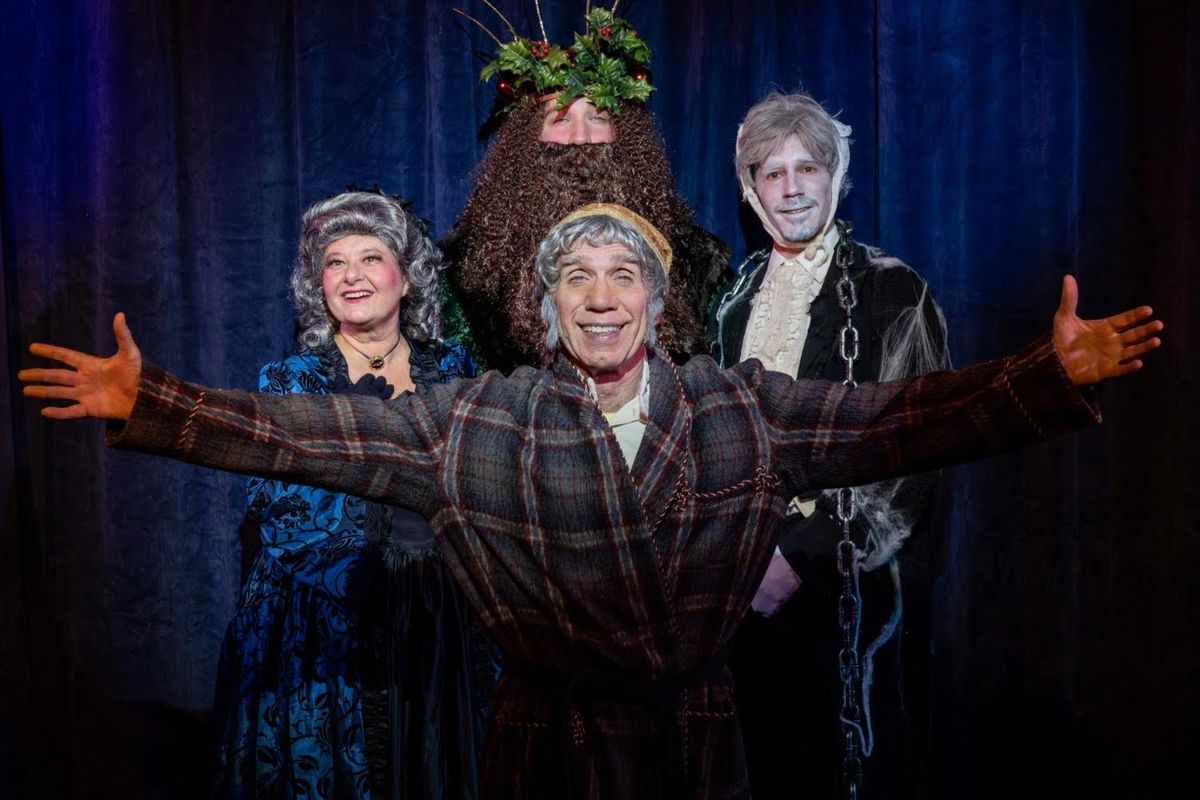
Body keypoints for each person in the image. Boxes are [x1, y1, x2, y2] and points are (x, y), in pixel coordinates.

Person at [20, 203, 1161, 800]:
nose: (600, 298)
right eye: (576, 278)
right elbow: (305, 430)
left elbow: (902, 419)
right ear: (550, 303)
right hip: (543, 749)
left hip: (693, 743)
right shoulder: (479, 417)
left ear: (660, 304)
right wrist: (156, 400)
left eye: (624, 278)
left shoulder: (741, 408)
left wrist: (1040, 378)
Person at [207, 191, 491, 798]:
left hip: (441, 618)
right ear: (319, 284)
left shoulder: (457, 370)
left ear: (406, 278)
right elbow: (276, 504)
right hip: (326, 617)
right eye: (336, 262)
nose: (353, 275)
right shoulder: (292, 381)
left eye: (371, 257)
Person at [710, 92, 950, 796]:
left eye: (806, 169)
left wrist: (800, 558)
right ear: (751, 189)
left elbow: (917, 447)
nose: (790, 189)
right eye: (772, 173)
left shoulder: (891, 289)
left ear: (835, 174)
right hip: (742, 585)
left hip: (852, 587)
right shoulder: (734, 296)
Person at [441, 6, 727, 372]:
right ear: (527, 139)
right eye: (560, 119)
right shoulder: (468, 271)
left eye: (597, 117)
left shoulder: (695, 261)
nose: (580, 139)